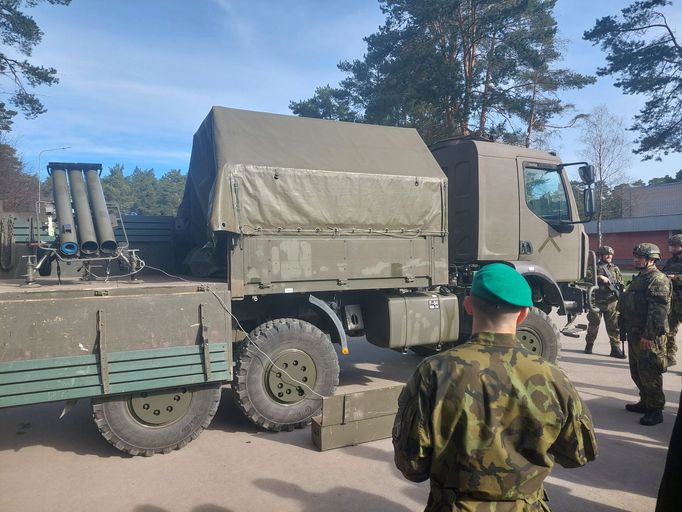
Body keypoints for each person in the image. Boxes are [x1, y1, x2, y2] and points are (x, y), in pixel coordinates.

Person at [393, 263, 598, 511]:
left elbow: (412, 465)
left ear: (468, 306)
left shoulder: (433, 372)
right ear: (524, 314)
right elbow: (578, 454)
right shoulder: (552, 377)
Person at [618, 243, 671, 426]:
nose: (636, 259)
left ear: (652, 259)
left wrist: (648, 335)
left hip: (648, 336)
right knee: (637, 372)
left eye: (640, 257)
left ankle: (656, 410)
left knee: (650, 373)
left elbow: (658, 311)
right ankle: (645, 401)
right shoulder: (641, 277)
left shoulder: (657, 279)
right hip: (635, 332)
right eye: (636, 256)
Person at [584, 246, 626, 358]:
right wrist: (599, 277)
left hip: (611, 302)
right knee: (594, 324)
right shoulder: (593, 267)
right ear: (600, 255)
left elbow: (620, 282)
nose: (609, 256)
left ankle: (615, 349)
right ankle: (589, 345)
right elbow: (587, 277)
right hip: (596, 301)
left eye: (610, 254)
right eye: (606, 254)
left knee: (614, 326)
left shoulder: (615, 268)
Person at [661, 234, 682, 366]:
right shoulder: (670, 261)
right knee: (670, 330)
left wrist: (676, 277)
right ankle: (670, 356)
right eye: (671, 246)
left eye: (675, 246)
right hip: (673, 300)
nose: (672, 248)